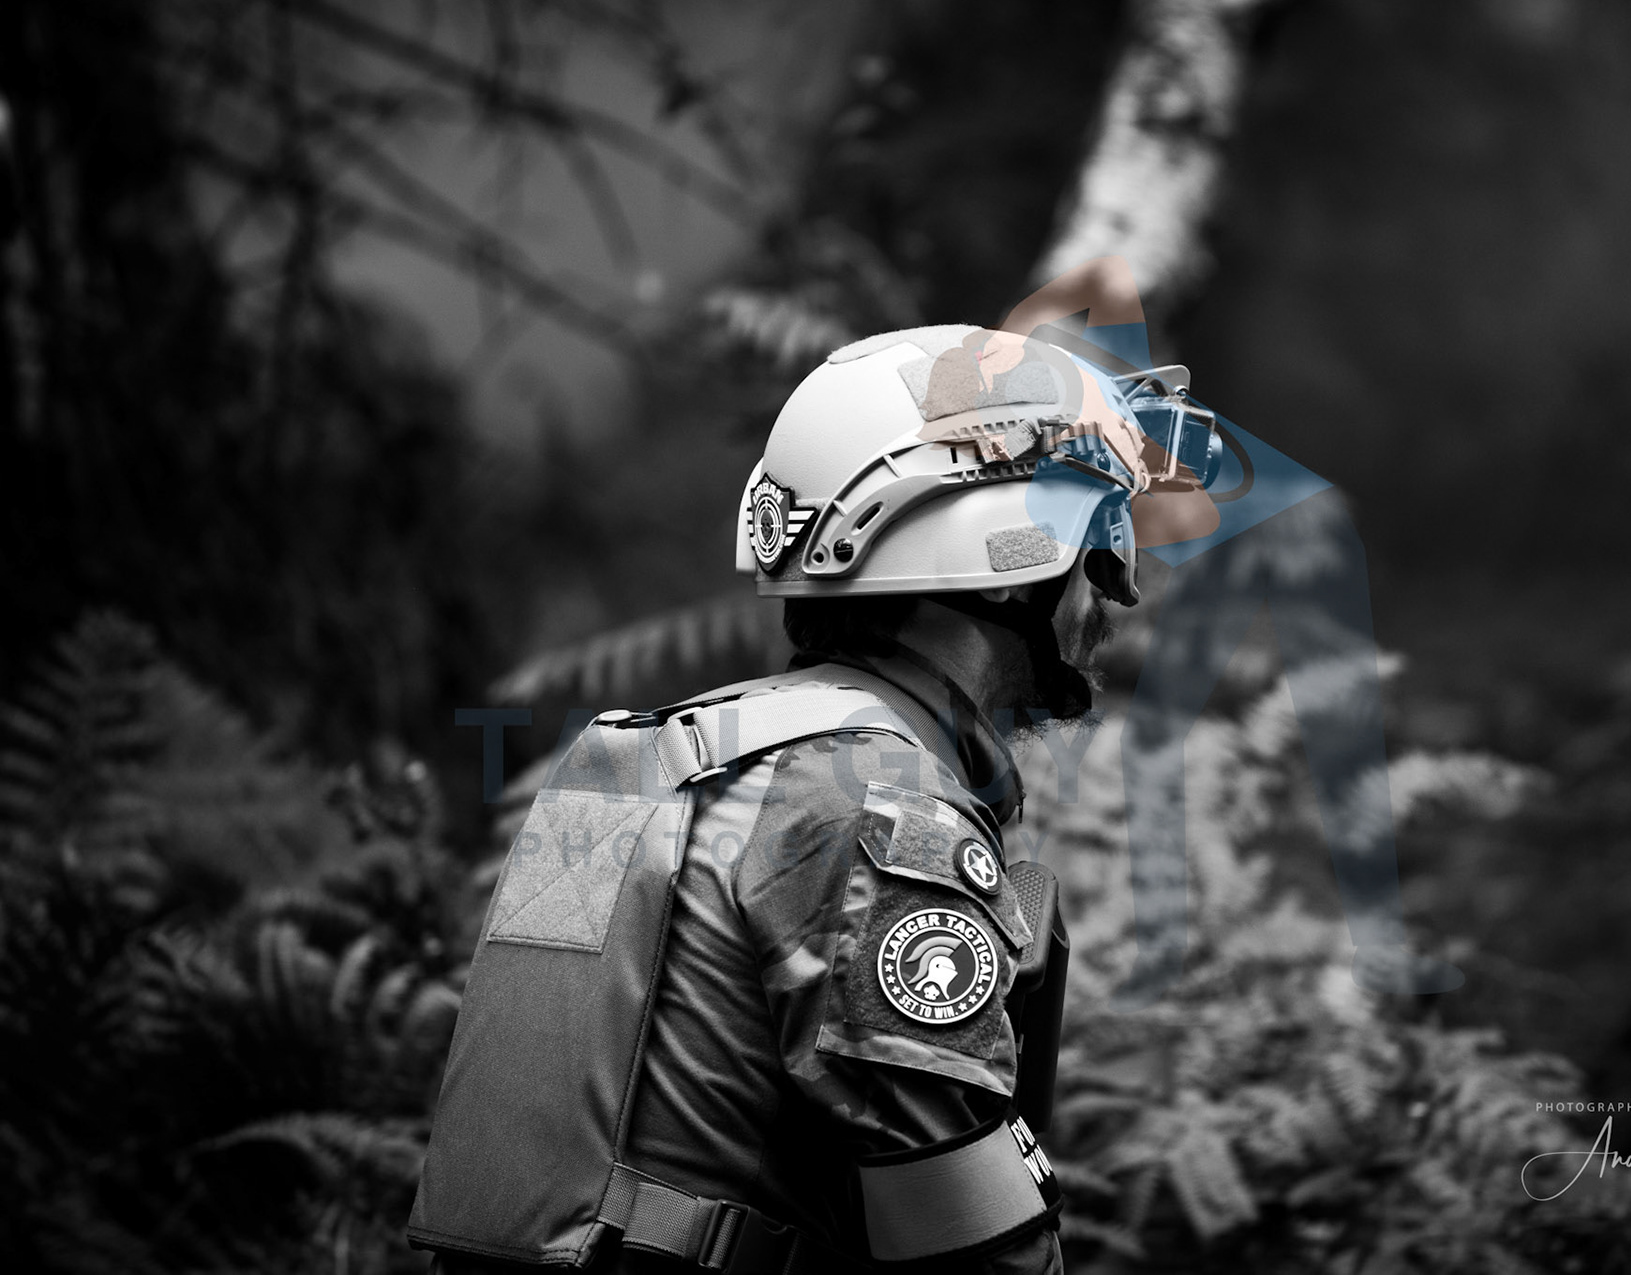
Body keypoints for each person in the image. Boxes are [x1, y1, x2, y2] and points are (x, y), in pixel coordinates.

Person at [411, 320, 1138, 1273]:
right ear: (1005, 560)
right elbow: (973, 1253)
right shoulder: (879, 808)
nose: (1115, 591)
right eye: (1098, 541)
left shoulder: (668, 756)